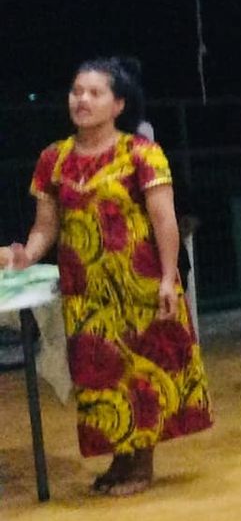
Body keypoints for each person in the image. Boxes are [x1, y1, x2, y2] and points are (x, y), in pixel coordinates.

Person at [3, 56, 212, 496]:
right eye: (77, 92)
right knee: (103, 379)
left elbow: (164, 220)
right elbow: (45, 226)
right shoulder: (53, 159)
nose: (82, 100)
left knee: (143, 373)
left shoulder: (141, 153)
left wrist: (168, 278)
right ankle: (122, 460)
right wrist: (28, 254)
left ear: (118, 104)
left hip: (139, 285)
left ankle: (141, 466)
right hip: (87, 291)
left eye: (94, 93)